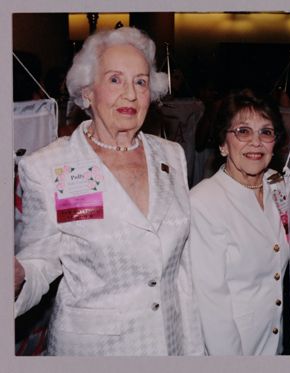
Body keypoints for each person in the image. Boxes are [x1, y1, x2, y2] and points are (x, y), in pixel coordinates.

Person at [13, 27, 204, 356]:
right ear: (88, 91)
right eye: (115, 79)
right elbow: (39, 261)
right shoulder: (48, 167)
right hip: (95, 349)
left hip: (171, 340)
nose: (130, 94)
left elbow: (182, 265)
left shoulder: (171, 156)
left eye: (140, 81)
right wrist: (17, 275)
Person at [189, 89, 289, 355]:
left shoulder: (277, 187)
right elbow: (212, 304)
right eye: (243, 132)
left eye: (266, 132)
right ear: (223, 143)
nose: (256, 142)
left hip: (273, 342)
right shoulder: (204, 202)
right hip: (234, 347)